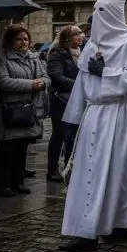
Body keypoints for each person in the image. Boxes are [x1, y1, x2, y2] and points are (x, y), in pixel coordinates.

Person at [59, 0, 127, 252]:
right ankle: (86, 229)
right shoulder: (91, 47)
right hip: (95, 116)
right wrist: (73, 120)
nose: (96, 18)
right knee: (90, 171)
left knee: (118, 169)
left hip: (121, 114)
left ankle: (119, 222)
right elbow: (82, 84)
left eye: (102, 12)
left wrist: (107, 71)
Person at [0, 24, 50, 197]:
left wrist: (43, 83)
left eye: (26, 39)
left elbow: (45, 77)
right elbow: (4, 81)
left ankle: (18, 182)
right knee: (7, 149)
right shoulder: (1, 59)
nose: (23, 42)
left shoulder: (34, 58)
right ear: (10, 41)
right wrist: (31, 84)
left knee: (22, 148)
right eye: (19, 39)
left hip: (29, 109)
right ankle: (3, 185)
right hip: (10, 109)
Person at [46, 25, 82, 182]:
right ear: (67, 38)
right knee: (59, 135)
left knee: (73, 136)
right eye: (77, 35)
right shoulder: (57, 54)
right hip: (62, 99)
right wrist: (78, 84)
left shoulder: (82, 53)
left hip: (77, 99)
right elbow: (56, 76)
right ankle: (52, 169)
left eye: (81, 34)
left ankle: (70, 165)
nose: (81, 37)